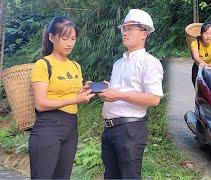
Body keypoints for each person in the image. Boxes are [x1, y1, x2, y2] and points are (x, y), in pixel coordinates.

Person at [98, 9, 163, 179]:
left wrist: (118, 95)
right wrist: (103, 87)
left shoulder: (150, 62)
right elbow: (121, 88)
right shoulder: (118, 63)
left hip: (130, 130)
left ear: (144, 33)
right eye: (123, 29)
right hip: (109, 129)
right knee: (110, 176)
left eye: (130, 28)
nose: (125, 33)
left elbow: (154, 98)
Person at [28, 16, 95, 179]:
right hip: (48, 128)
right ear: (51, 37)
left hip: (71, 128)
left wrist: (85, 91)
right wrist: (75, 99)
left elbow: (73, 96)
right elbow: (41, 104)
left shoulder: (75, 66)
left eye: (73, 39)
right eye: (65, 38)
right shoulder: (43, 65)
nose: (69, 43)